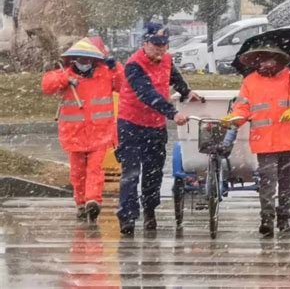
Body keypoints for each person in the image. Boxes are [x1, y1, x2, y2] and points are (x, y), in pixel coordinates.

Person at [116, 22, 201, 235]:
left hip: (155, 126)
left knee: (154, 174)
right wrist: (173, 113)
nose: (160, 50)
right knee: (131, 173)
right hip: (131, 124)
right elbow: (147, 94)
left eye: (163, 45)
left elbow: (174, 78)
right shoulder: (134, 65)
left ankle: (150, 211)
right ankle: (127, 217)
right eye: (155, 45)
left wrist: (187, 92)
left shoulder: (167, 60)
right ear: (144, 43)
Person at [221, 45, 290, 237]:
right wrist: (234, 119)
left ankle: (284, 217)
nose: (264, 63)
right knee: (268, 181)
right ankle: (267, 218)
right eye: (261, 60)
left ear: (278, 60)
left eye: (268, 59)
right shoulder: (250, 81)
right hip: (265, 141)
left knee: (286, 182)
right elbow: (242, 108)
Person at [42, 37, 124, 222]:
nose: (84, 63)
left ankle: (92, 201)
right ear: (74, 59)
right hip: (74, 134)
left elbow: (124, 86)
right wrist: (65, 79)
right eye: (81, 59)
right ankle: (81, 203)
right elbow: (47, 85)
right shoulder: (65, 75)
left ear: (95, 60)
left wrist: (116, 67)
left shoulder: (106, 74)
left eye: (87, 59)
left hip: (99, 134)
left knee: (95, 170)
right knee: (78, 173)